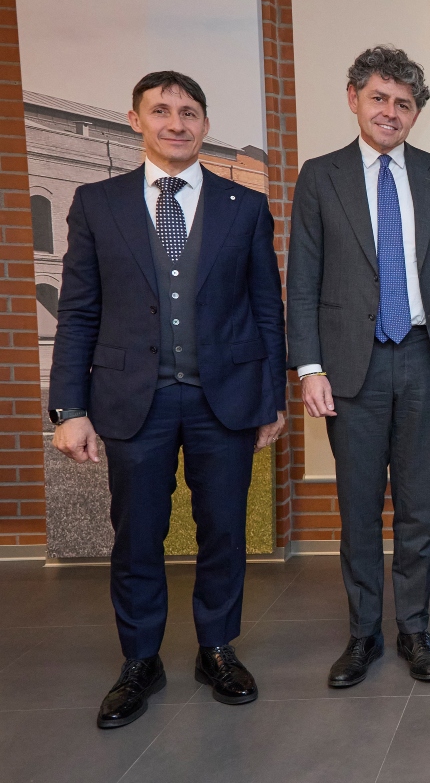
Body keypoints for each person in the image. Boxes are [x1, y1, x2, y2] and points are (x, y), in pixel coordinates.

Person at [49, 71, 287, 728]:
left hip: (224, 400)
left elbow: (266, 309)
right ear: (136, 120)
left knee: (224, 532)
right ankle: (140, 661)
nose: (176, 123)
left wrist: (272, 398)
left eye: (188, 112)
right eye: (161, 111)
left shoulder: (245, 207)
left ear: (205, 124)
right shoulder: (98, 203)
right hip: (133, 400)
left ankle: (217, 649)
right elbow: (78, 312)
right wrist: (69, 409)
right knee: (137, 536)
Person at [286, 46, 430, 688]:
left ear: (416, 113)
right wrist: (309, 367)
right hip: (349, 367)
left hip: (425, 358)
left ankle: (414, 628)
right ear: (353, 98)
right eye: (379, 98)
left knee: (420, 507)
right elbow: (303, 279)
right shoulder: (321, 176)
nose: (390, 112)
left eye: (404, 103)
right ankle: (363, 632)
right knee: (359, 507)